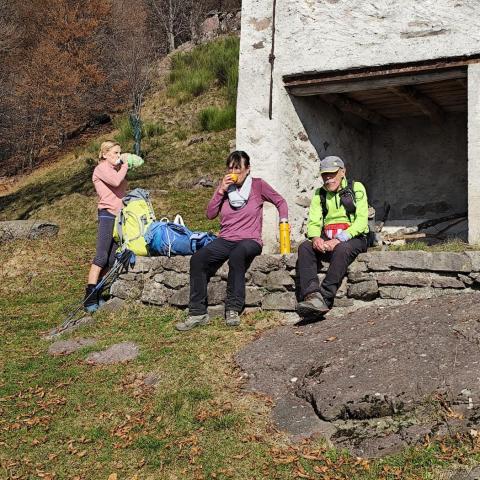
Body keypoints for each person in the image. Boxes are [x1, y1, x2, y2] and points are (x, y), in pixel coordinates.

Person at [175, 150, 288, 331]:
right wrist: (220, 190)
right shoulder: (225, 189)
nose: (233, 173)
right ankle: (197, 313)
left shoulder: (258, 186)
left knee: (237, 255)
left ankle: (233, 308)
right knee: (198, 259)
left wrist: (283, 222)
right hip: (225, 239)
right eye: (230, 169)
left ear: (248, 169)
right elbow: (210, 214)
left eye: (237, 168)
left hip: (250, 240)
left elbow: (280, 201)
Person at [296, 155, 369, 317]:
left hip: (353, 238)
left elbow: (362, 221)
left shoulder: (356, 188)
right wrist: (315, 238)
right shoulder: (319, 194)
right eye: (324, 175)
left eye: (332, 173)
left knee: (342, 249)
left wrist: (339, 239)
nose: (328, 178)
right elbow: (314, 221)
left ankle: (325, 297)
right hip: (328, 237)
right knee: (304, 247)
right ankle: (311, 294)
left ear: (342, 172)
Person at [83, 141, 128, 313]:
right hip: (107, 214)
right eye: (115, 152)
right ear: (104, 154)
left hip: (119, 216)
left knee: (111, 259)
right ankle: (89, 299)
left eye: (119, 152)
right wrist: (125, 165)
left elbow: (120, 188)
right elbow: (117, 183)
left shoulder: (115, 169)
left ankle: (99, 293)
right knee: (101, 257)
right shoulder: (100, 169)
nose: (118, 155)